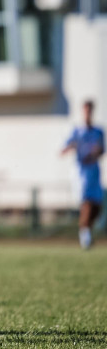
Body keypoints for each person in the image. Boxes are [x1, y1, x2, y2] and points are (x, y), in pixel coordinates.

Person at [60, 99, 104, 250]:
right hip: (81, 171)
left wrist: (97, 151)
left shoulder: (98, 131)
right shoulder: (77, 131)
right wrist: (72, 146)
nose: (88, 113)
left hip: (94, 170)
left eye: (90, 110)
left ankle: (87, 231)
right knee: (87, 203)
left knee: (97, 206)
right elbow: (63, 149)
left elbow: (102, 150)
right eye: (86, 110)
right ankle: (85, 236)